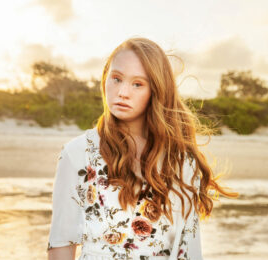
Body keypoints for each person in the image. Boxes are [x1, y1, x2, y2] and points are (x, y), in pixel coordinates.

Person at [47, 37, 238, 260]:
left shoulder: (181, 161)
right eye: (116, 79)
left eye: (137, 84)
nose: (122, 92)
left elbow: (189, 248)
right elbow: (61, 242)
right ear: (105, 78)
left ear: (155, 90)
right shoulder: (77, 154)